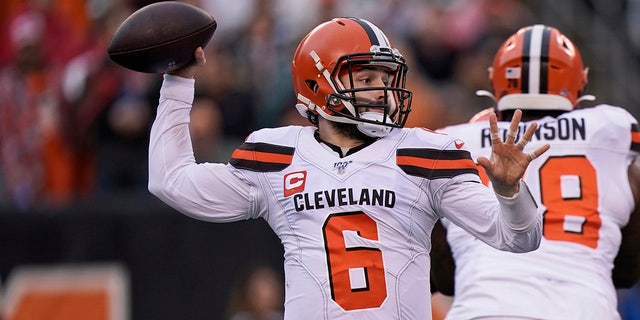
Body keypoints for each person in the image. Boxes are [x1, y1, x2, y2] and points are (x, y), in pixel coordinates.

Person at [147, 17, 549, 319]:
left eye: (386, 77)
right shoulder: (278, 155)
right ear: (318, 84)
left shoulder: (425, 152)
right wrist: (178, 83)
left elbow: (519, 239)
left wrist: (510, 193)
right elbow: (171, 181)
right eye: (366, 76)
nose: (381, 89)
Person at [433, 24, 640, 320]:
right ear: (580, 83)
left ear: (496, 82)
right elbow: (627, 271)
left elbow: (443, 275)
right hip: (585, 309)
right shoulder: (612, 134)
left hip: (486, 309)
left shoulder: (455, 143)